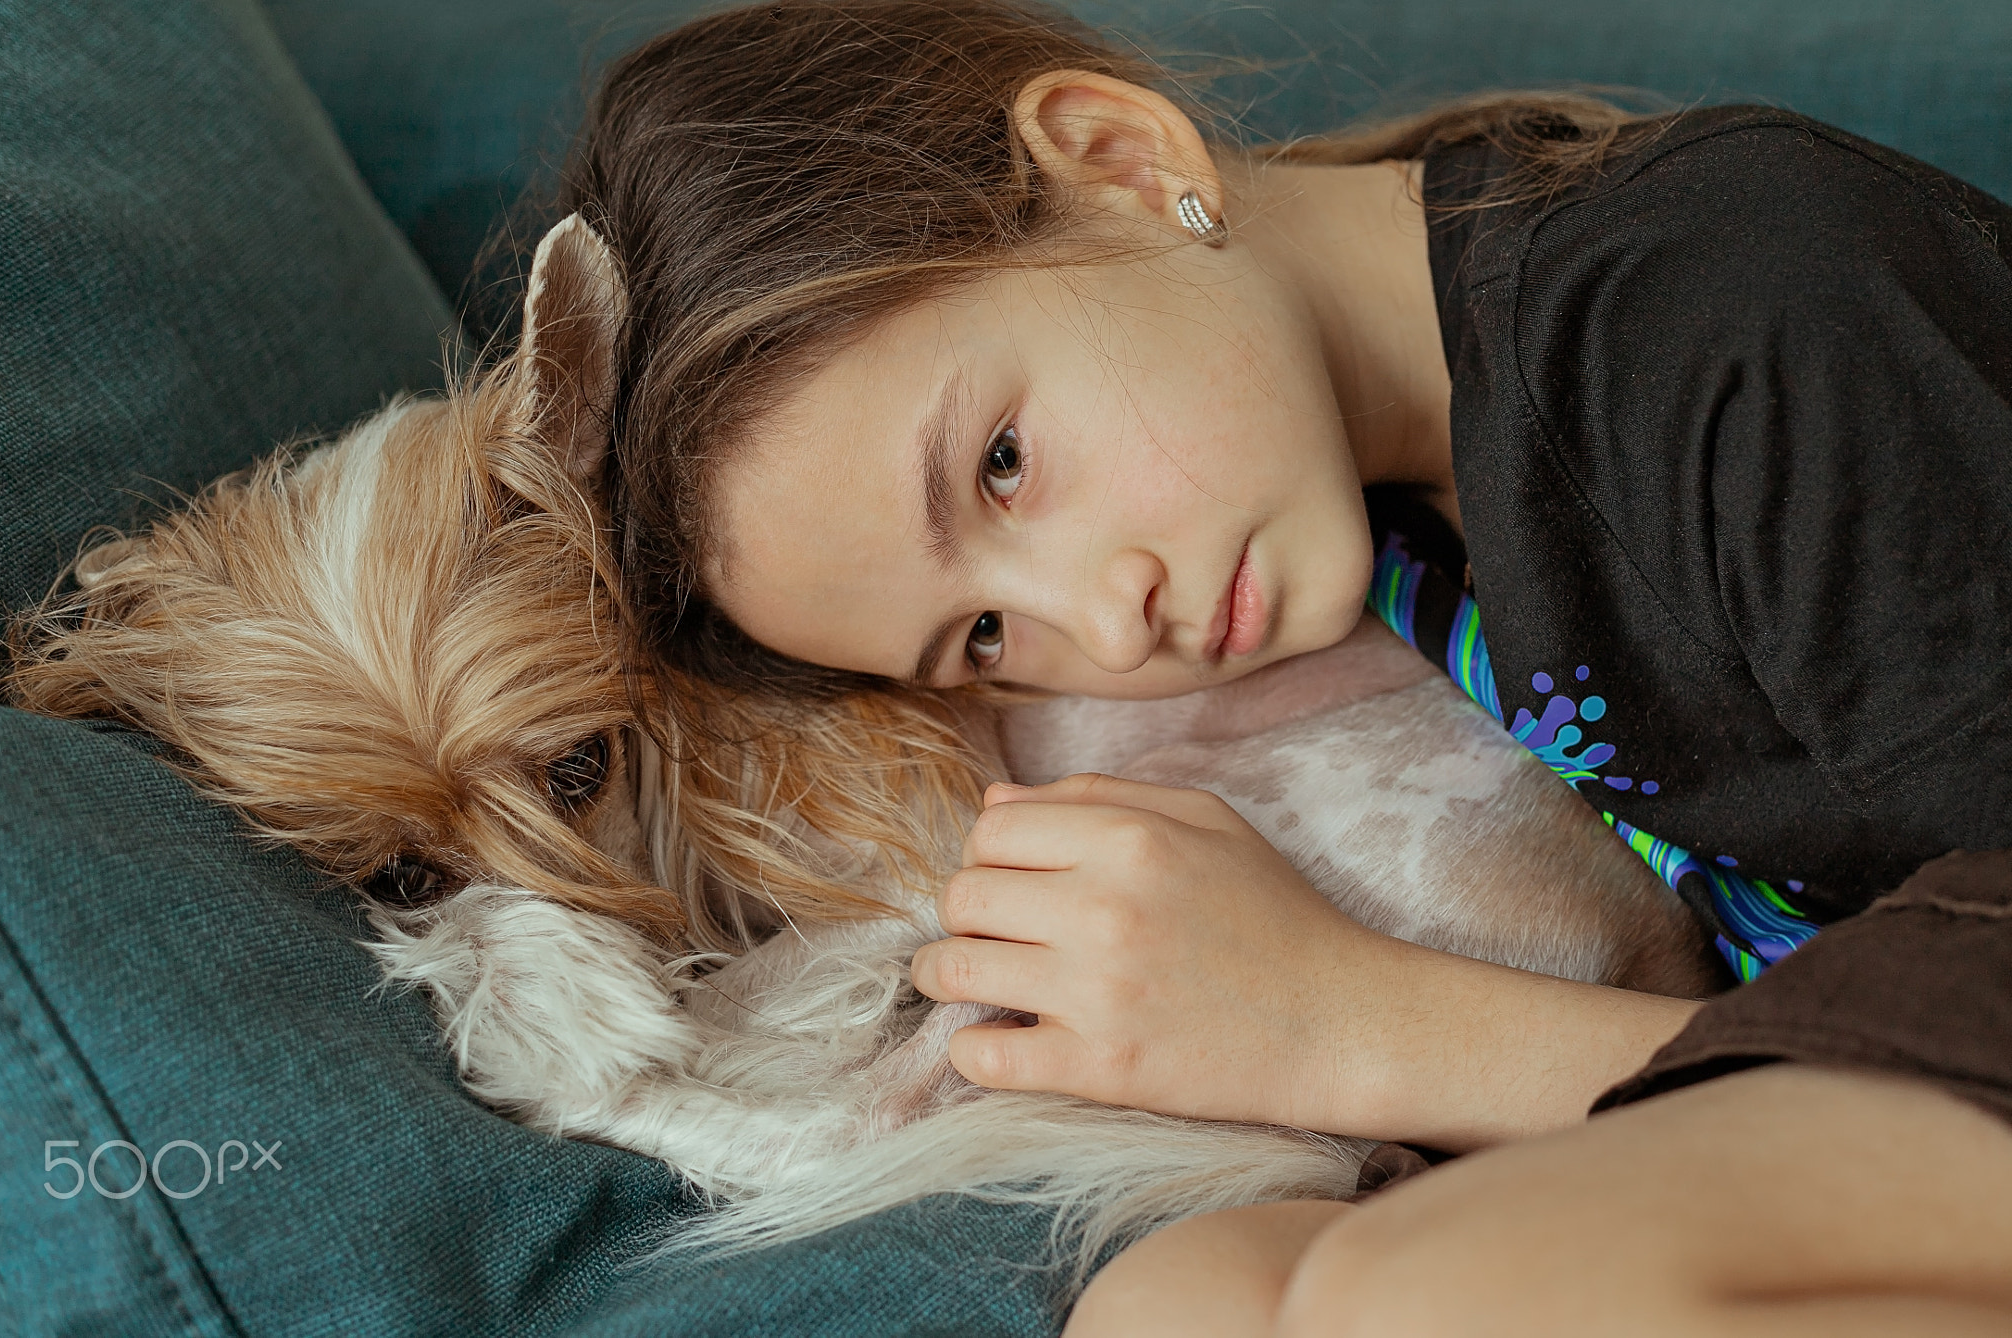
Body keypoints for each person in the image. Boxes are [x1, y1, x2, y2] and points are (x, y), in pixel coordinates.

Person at [558, 1, 2012, 1331]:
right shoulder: (1384, 494)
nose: (1109, 622)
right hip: (1878, 1073)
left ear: (1119, 159)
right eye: (985, 638)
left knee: (1430, 1282)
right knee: (1179, 1305)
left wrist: (1339, 1021)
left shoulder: (1729, 307)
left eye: (1002, 465)